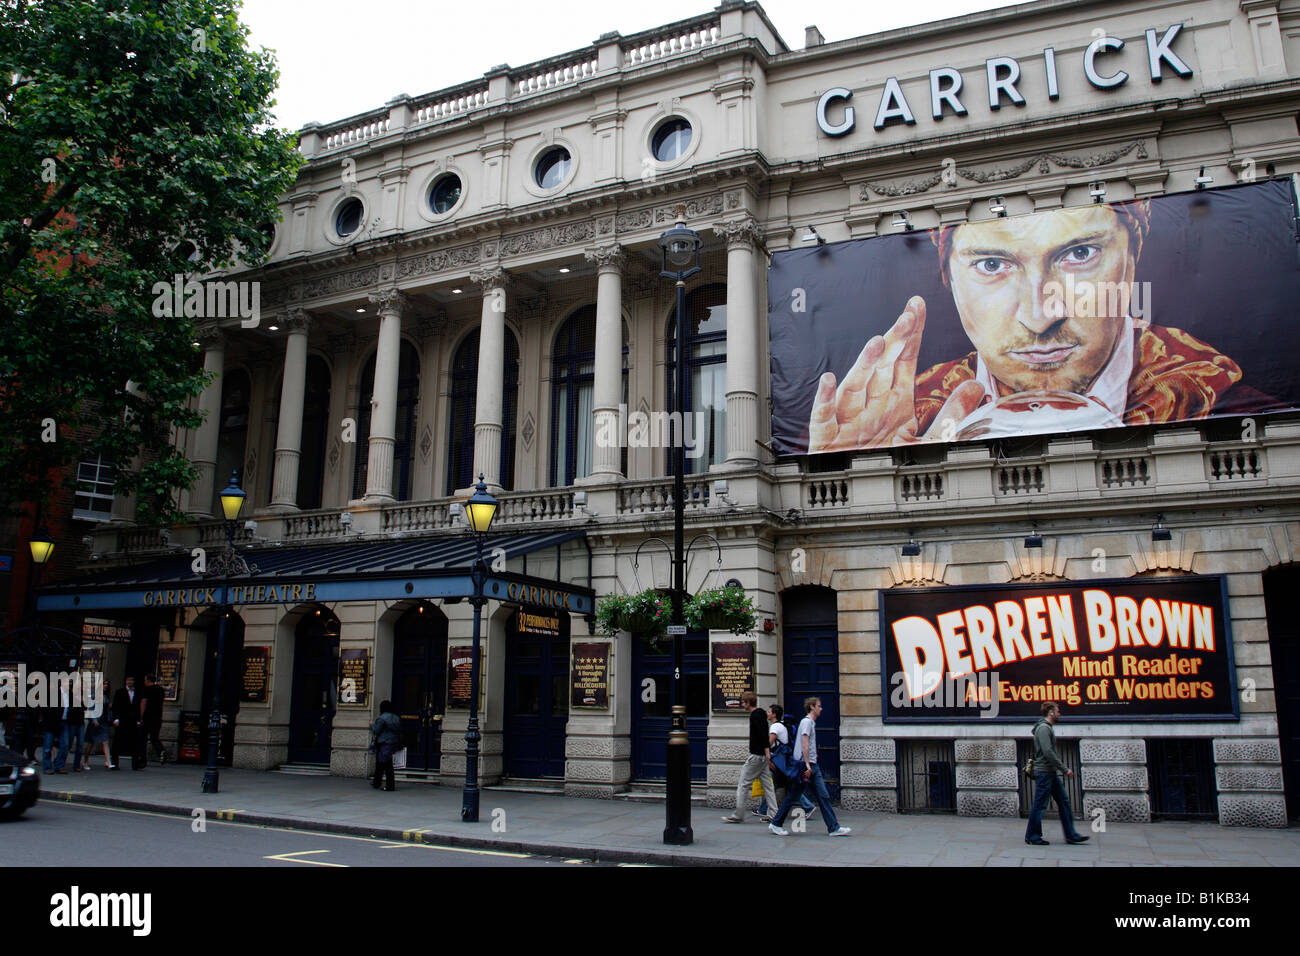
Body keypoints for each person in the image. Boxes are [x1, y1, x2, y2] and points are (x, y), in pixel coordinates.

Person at [808, 202, 1270, 452]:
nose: (1040, 316)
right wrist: (855, 475)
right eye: (992, 264)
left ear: (1132, 262)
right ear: (949, 280)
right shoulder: (909, 418)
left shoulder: (1232, 404)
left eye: (1079, 254)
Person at [768, 697, 851, 837]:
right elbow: (805, 744)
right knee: (800, 796)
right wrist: (807, 765)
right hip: (807, 766)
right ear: (812, 707)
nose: (821, 708)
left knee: (816, 796)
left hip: (810, 765)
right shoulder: (807, 722)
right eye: (819, 706)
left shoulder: (809, 722)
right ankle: (776, 823)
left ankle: (833, 827)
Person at [1025, 701, 1089, 846]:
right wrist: (1064, 769)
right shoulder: (1043, 729)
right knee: (1040, 805)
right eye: (1058, 711)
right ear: (1051, 712)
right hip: (1044, 772)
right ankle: (1033, 836)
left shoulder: (1047, 728)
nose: (1059, 714)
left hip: (1050, 773)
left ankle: (1071, 835)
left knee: (1064, 802)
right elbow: (1048, 752)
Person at [722, 691, 777, 824]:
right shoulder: (761, 714)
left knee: (743, 784)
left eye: (743, 702)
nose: (742, 704)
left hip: (757, 756)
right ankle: (775, 814)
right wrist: (767, 753)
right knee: (768, 786)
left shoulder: (755, 716)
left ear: (748, 702)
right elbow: (764, 733)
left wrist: (766, 752)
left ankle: (738, 814)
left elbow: (763, 735)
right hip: (762, 756)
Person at [755, 703, 814, 821]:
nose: (768, 713)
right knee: (783, 785)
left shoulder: (775, 727)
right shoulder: (781, 725)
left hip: (778, 760)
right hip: (783, 759)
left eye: (769, 712)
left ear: (774, 714)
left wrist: (766, 756)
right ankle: (763, 809)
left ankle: (764, 810)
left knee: (775, 785)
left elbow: (769, 743)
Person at [111, 676, 143, 770]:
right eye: (128, 680)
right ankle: (115, 763)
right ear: (126, 681)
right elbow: (115, 706)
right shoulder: (120, 692)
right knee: (117, 742)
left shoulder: (137, 692)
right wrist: (116, 718)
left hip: (133, 721)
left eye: (132, 680)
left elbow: (138, 707)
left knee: (135, 742)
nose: (130, 682)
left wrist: (138, 719)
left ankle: (135, 764)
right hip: (122, 720)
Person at [370, 700, 401, 792]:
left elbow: (377, 731)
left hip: (384, 742)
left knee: (386, 764)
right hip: (393, 742)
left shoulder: (381, 718)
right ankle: (376, 782)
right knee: (382, 763)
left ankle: (389, 785)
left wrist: (372, 725)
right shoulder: (396, 718)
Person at [86, 680, 114, 771]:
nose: (106, 686)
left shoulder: (106, 697)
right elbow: (90, 708)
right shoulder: (94, 696)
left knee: (105, 741)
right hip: (95, 721)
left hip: (103, 721)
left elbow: (107, 710)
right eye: (104, 684)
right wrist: (94, 719)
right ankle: (85, 761)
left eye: (107, 684)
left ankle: (108, 762)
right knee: (91, 742)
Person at [141, 673, 167, 765]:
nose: (144, 682)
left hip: (148, 716)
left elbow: (144, 702)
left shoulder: (146, 690)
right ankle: (161, 750)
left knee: (143, 738)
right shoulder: (160, 690)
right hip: (158, 717)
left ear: (148, 680)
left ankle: (142, 759)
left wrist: (141, 716)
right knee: (154, 737)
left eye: (145, 680)